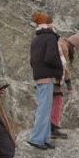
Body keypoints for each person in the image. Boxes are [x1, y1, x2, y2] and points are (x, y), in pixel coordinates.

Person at [28, 12, 63, 150]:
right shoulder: (50, 38)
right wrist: (59, 68)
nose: (53, 23)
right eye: (51, 21)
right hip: (47, 77)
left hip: (39, 76)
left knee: (45, 108)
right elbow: (50, 57)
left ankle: (45, 137)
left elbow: (33, 60)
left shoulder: (36, 39)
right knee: (44, 109)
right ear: (48, 23)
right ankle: (36, 138)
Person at [50, 33, 79, 139]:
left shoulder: (60, 44)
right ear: (73, 45)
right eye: (76, 48)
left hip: (49, 77)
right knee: (58, 101)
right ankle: (53, 127)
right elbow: (63, 67)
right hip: (53, 79)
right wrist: (69, 86)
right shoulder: (63, 47)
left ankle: (51, 126)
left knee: (50, 103)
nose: (75, 51)